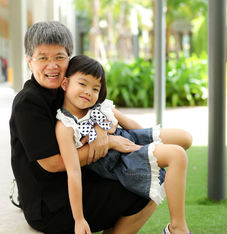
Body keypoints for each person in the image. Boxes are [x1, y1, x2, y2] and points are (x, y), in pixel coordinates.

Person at [9, 21, 192, 234]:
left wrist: (102, 129)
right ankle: (176, 229)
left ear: (70, 59)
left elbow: (101, 110)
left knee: (151, 170)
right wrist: (110, 143)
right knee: (148, 181)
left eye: (59, 57)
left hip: (83, 180)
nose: (52, 66)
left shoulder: (68, 86)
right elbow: (52, 164)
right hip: (50, 204)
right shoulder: (28, 103)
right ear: (29, 61)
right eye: (43, 58)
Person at [56, 55, 192, 234]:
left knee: (185, 138)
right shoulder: (65, 126)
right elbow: (73, 172)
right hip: (120, 161)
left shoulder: (100, 106)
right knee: (177, 155)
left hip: (129, 139)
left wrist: (149, 147)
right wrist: (79, 219)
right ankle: (177, 228)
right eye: (82, 84)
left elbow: (129, 123)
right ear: (65, 84)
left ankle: (176, 227)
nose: (89, 92)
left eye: (95, 88)